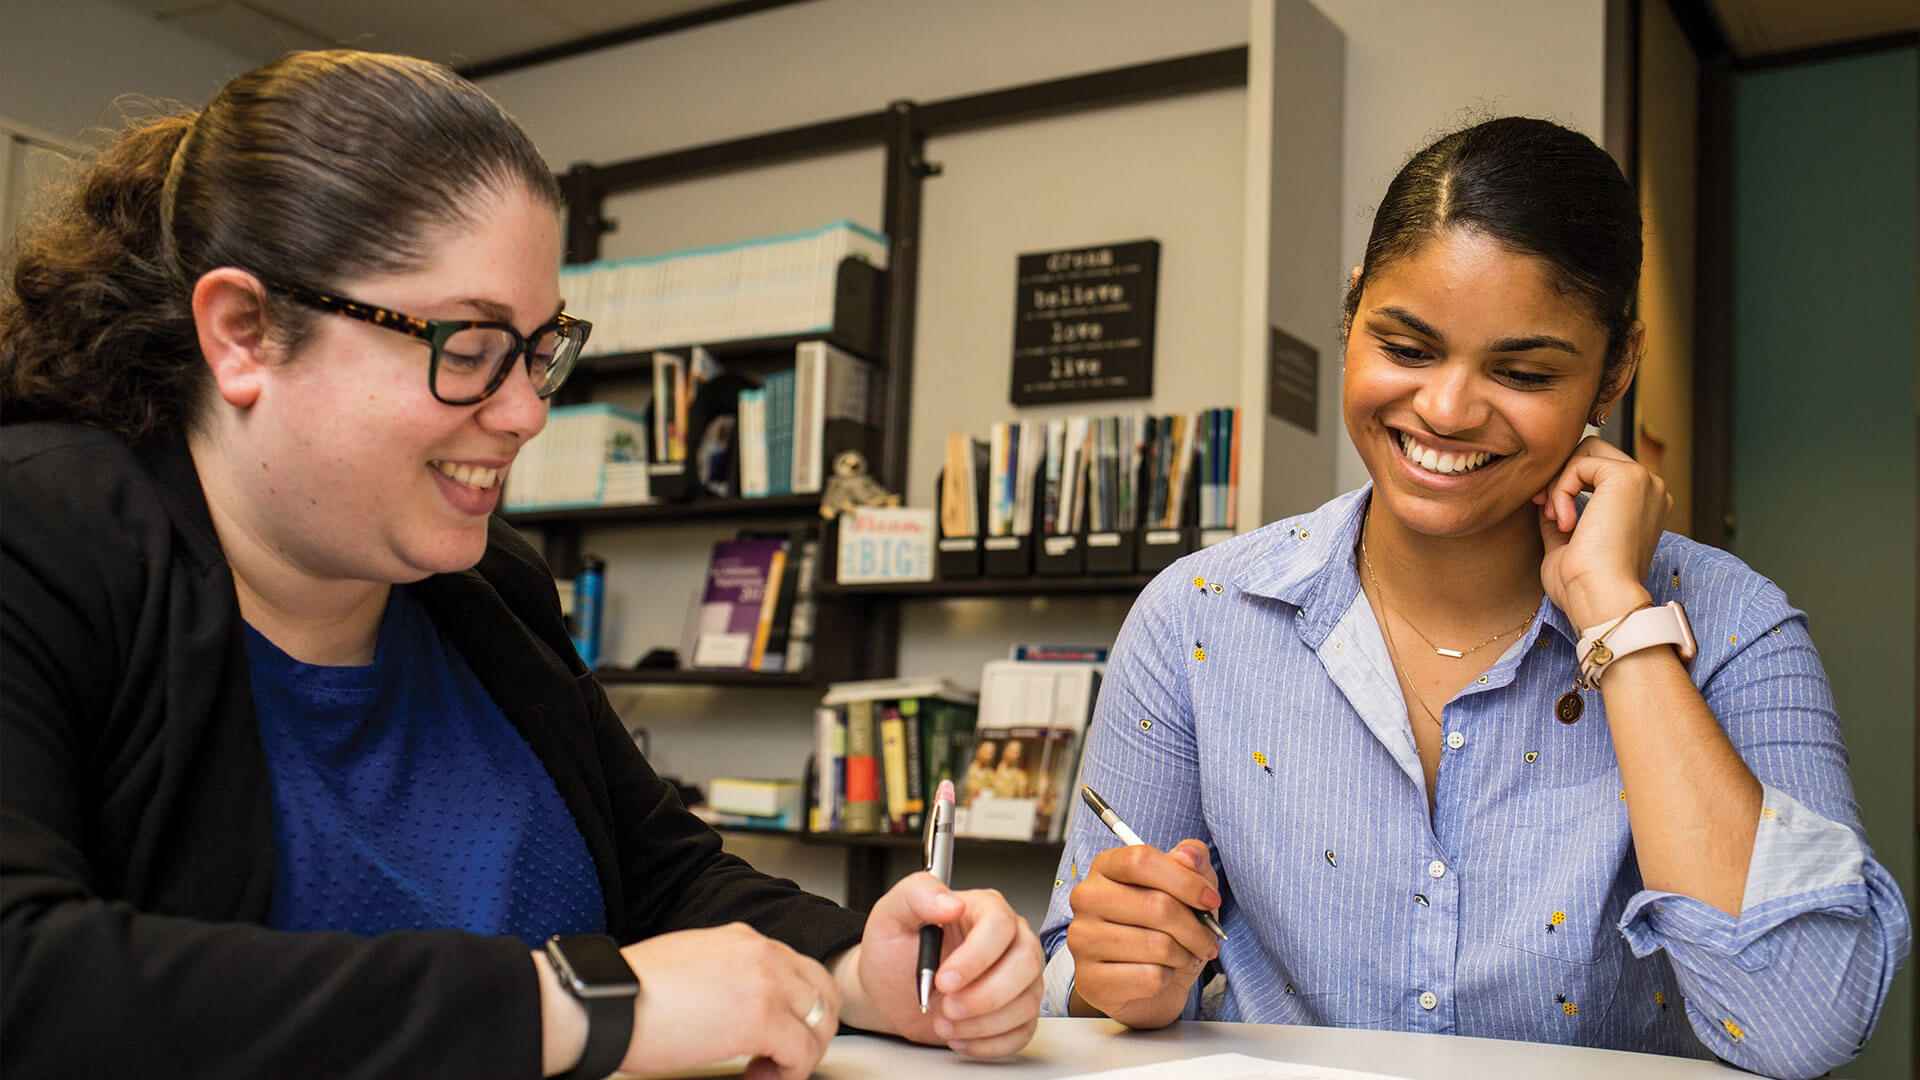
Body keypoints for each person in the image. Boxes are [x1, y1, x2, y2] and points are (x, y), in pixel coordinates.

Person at [0, 51, 1041, 1079]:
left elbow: (668, 879)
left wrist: (862, 970)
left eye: (540, 348)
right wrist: (581, 1007)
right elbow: (33, 977)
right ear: (244, 332)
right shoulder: (39, 534)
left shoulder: (488, 589)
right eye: (467, 346)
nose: (528, 411)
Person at [1038, 117, 1909, 1080]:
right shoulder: (1198, 615)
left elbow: (1801, 1027)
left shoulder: (1735, 626)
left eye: (1522, 372)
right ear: (1351, 313)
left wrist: (1616, 616)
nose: (1447, 411)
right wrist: (1112, 977)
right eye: (1406, 347)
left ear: (1615, 371)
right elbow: (1069, 978)